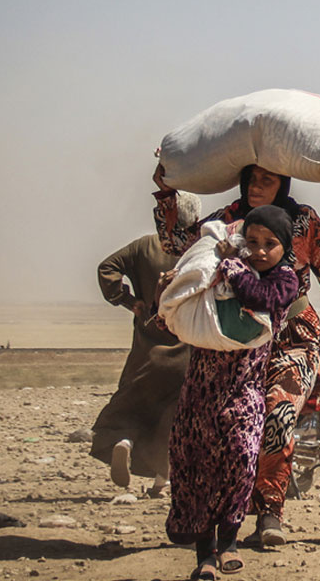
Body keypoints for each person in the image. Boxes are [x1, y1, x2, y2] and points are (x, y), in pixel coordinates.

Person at [152, 162, 320, 545]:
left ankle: (270, 513)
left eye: (266, 180)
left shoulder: (304, 223)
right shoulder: (228, 221)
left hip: (293, 336)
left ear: (282, 182)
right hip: (232, 343)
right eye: (251, 179)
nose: (256, 187)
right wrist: (167, 193)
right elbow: (175, 245)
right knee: (209, 426)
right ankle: (206, 518)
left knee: (278, 410)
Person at [165, 205, 299, 581]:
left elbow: (259, 299)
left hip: (244, 392)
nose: (258, 250)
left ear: (284, 248)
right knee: (198, 467)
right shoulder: (218, 267)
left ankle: (230, 541)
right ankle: (204, 554)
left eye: (269, 244)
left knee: (239, 465)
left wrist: (231, 266)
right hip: (200, 392)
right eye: (251, 241)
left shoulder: (285, 281)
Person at [91, 193, 199, 494]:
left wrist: (127, 300)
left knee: (131, 404)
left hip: (146, 350)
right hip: (187, 352)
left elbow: (107, 268)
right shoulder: (199, 250)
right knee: (173, 413)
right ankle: (162, 479)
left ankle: (123, 440)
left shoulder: (144, 246)